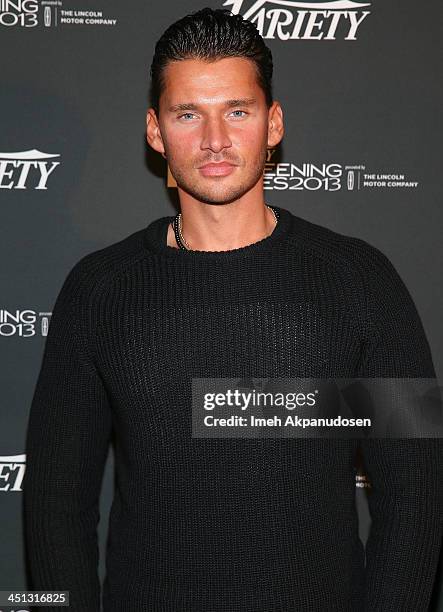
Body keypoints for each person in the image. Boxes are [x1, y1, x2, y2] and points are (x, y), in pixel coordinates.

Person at [23, 7, 442, 611]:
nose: (214, 139)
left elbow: (418, 489)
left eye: (237, 111)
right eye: (188, 113)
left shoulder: (360, 279)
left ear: (273, 124)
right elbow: (55, 499)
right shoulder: (98, 289)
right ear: (154, 130)